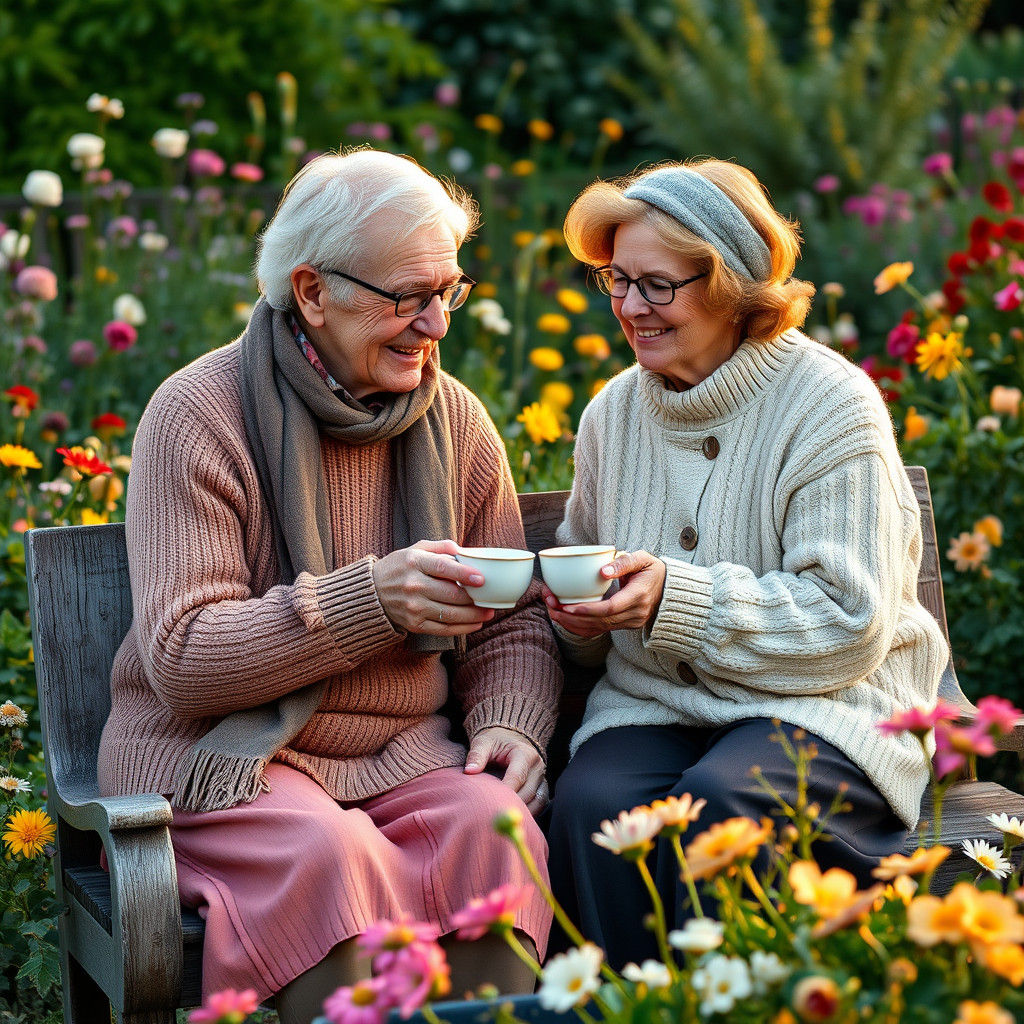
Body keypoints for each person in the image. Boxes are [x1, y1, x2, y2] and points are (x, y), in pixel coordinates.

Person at [97, 149, 562, 1022]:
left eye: (448, 292)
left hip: (403, 754)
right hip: (229, 755)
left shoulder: (455, 419)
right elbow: (184, 657)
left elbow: (511, 625)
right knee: (327, 851)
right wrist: (371, 601)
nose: (435, 324)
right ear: (312, 292)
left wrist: (509, 719)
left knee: (493, 835)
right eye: (405, 297)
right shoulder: (198, 413)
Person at [543, 159, 949, 968]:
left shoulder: (828, 403)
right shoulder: (611, 416)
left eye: (658, 285)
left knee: (722, 808)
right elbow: (593, 615)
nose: (628, 307)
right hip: (656, 705)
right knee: (592, 804)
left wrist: (672, 601)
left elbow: (848, 623)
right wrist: (582, 619)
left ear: (731, 285)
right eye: (616, 280)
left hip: (829, 701)